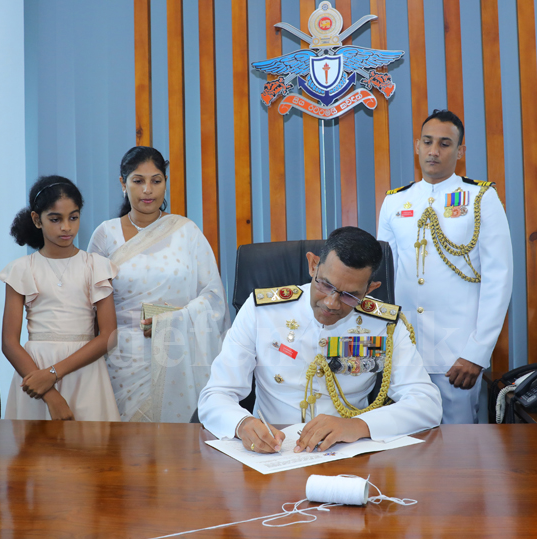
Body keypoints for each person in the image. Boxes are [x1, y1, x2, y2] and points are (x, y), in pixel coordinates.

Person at [198, 226, 442, 454]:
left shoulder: (385, 324)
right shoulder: (261, 310)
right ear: (313, 265)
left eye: (349, 295)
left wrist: (358, 425)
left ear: (370, 289)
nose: (331, 303)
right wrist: (242, 423)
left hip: (347, 452)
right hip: (273, 450)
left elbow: (427, 403)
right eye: (326, 285)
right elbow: (216, 394)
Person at [378, 109, 512, 424]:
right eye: (427, 142)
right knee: (408, 443)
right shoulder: (395, 202)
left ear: (460, 151)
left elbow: (499, 280)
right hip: (406, 350)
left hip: (458, 353)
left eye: (445, 143)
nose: (434, 151)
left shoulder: (480, 197)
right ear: (417, 146)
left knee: (460, 449)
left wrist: (477, 353)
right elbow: (382, 279)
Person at [87, 146, 229, 422]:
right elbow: (89, 305)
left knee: (176, 450)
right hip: (122, 359)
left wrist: (174, 319)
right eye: (138, 181)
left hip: (178, 354)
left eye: (156, 180)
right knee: (125, 453)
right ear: (123, 183)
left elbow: (213, 298)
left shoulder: (186, 231)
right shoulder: (105, 235)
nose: (148, 190)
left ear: (166, 182)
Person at [0, 176, 121, 421]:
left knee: (88, 453)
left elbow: (108, 334)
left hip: (84, 369)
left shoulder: (95, 266)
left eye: (73, 217)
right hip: (34, 371)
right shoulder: (21, 269)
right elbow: (9, 342)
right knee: (35, 455)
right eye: (56, 219)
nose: (66, 227)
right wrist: (49, 393)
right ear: (37, 219)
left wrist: (53, 374)